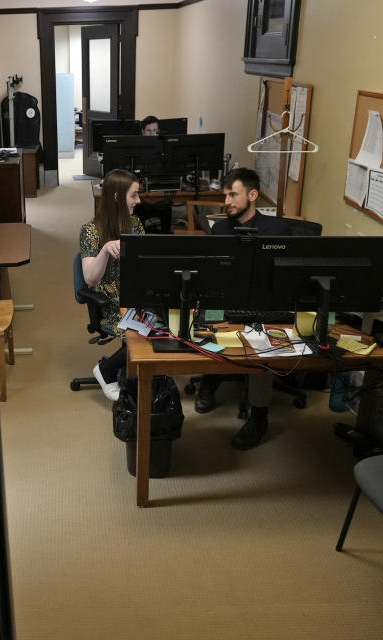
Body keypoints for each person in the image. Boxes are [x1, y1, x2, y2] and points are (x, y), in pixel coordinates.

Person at [195, 167, 291, 450]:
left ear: (252, 195)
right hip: (224, 301)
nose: (228, 201)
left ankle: (259, 416)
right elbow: (209, 272)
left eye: (233, 194)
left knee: (264, 348)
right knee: (204, 327)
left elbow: (285, 276)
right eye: (225, 195)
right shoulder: (221, 229)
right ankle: (209, 382)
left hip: (264, 304)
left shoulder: (277, 230)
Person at [81, 168, 145, 401]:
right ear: (117, 197)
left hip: (134, 297)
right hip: (109, 302)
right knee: (143, 335)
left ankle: (139, 373)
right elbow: (90, 278)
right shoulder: (90, 231)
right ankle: (106, 370)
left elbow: (142, 264)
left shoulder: (135, 224)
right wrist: (105, 251)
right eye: (134, 195)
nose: (139, 201)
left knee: (166, 326)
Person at [133, 115, 172, 233]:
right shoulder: (134, 149)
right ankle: (140, 242)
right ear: (143, 132)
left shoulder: (166, 149)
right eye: (149, 131)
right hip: (141, 199)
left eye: (155, 131)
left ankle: (165, 242)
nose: (152, 134)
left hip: (160, 195)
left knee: (167, 209)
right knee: (137, 211)